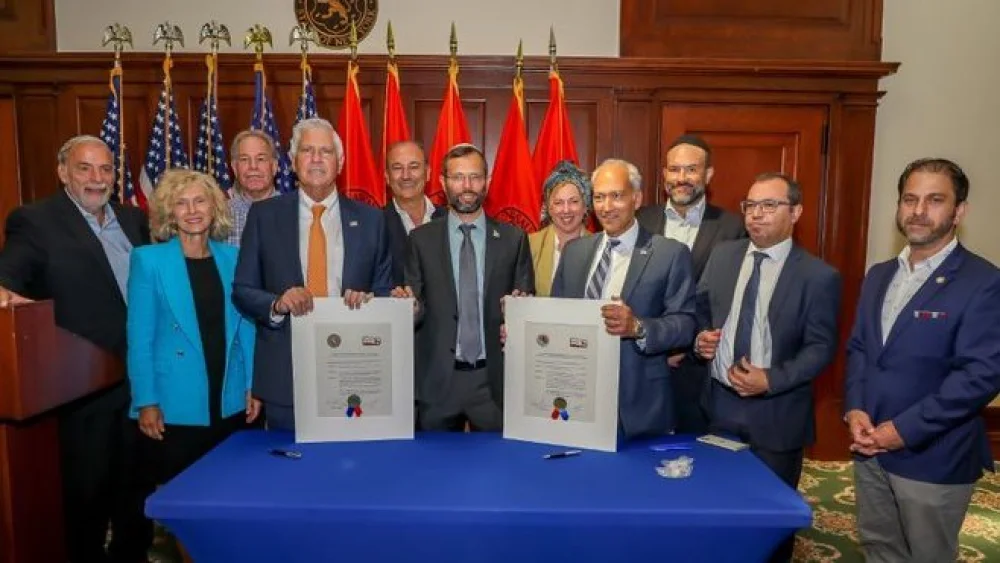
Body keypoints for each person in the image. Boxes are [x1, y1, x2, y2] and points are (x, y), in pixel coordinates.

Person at [0, 135, 152, 562]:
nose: (96, 178)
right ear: (63, 172)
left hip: (140, 386)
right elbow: (6, 283)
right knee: (86, 503)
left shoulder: (135, 220)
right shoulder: (35, 222)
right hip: (80, 392)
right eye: (84, 168)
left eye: (105, 169)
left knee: (137, 497)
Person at [844, 158, 1000, 563]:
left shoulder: (984, 282)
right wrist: (855, 408)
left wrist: (903, 430)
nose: (918, 210)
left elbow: (981, 375)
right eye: (910, 199)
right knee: (879, 549)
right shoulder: (879, 274)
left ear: (959, 211)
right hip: (869, 446)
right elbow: (860, 348)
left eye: (934, 200)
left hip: (933, 456)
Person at [693, 172, 841, 563]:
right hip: (718, 409)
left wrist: (771, 379)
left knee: (770, 523)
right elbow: (700, 312)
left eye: (769, 206)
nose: (756, 215)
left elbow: (821, 348)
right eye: (750, 206)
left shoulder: (818, 277)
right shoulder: (723, 256)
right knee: (717, 513)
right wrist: (700, 339)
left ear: (796, 212)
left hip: (777, 417)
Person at [233, 117, 392, 430]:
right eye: (307, 151)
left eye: (326, 151)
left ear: (340, 163)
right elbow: (243, 289)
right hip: (285, 373)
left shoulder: (372, 220)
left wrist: (369, 301)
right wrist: (277, 303)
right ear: (293, 162)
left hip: (354, 368)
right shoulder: (264, 216)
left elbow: (385, 291)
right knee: (288, 459)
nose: (316, 159)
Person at [127, 169, 259, 493]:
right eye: (181, 203)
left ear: (214, 206)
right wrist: (146, 401)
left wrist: (253, 385)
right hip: (174, 402)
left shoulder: (233, 258)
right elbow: (139, 339)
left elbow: (247, 329)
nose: (192, 211)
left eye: (199, 201)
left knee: (230, 489)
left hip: (229, 396)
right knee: (181, 495)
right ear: (169, 212)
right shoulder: (148, 261)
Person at [551, 158, 696, 438]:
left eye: (616, 196)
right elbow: (557, 316)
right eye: (599, 197)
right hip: (577, 397)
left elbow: (685, 324)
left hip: (639, 403)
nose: (606, 207)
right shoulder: (575, 252)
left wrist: (638, 328)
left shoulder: (669, 254)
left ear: (636, 199)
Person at [394, 143, 534, 431]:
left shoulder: (514, 239)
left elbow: (526, 303)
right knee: (434, 460)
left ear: (487, 181)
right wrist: (411, 308)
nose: (467, 186)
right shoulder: (420, 240)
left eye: (475, 177)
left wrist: (518, 312)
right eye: (457, 177)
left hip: (493, 382)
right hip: (438, 383)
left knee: (499, 460)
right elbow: (415, 306)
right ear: (443, 182)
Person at [636, 134, 745, 434]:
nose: (681, 178)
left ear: (708, 175)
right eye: (674, 169)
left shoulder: (732, 227)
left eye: (691, 169)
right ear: (664, 174)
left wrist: (689, 344)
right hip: (644, 363)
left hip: (699, 371)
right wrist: (660, 345)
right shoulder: (640, 220)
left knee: (693, 452)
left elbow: (731, 299)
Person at [383, 140, 446, 286]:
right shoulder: (375, 225)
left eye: (414, 167)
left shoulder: (450, 220)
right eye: (397, 168)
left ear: (428, 173)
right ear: (387, 176)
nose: (406, 176)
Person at [529, 160, 592, 297]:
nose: (566, 210)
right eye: (558, 203)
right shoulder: (529, 245)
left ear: (585, 206)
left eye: (574, 201)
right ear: (548, 208)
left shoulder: (600, 247)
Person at [227, 129, 279, 246]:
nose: (253, 166)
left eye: (260, 159)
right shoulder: (220, 217)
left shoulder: (295, 214)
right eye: (244, 159)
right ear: (235, 168)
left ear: (274, 167)